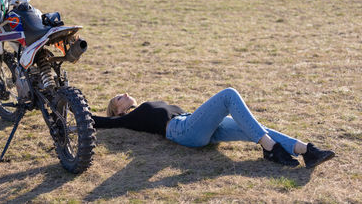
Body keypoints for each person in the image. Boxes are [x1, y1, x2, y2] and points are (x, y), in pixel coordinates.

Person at [92, 88, 335, 168]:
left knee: (254, 126)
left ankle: (306, 151)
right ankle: (270, 148)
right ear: (119, 111)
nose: (123, 94)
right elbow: (99, 121)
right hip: (183, 131)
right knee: (229, 95)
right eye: (117, 98)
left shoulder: (145, 107)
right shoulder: (128, 119)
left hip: (196, 125)